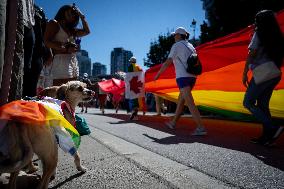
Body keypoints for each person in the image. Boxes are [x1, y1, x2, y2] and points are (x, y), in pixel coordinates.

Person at [154, 27, 207, 136]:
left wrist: (158, 74)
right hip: (192, 77)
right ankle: (173, 123)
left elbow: (168, 61)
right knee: (181, 101)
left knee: (190, 102)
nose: (174, 36)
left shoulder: (177, 45)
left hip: (183, 77)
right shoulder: (191, 46)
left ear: (179, 35)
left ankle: (201, 127)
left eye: (175, 35)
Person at [242, 10, 284, 146]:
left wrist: (244, 73)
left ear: (260, 20)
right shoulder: (277, 35)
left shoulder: (259, 33)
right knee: (262, 105)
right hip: (275, 72)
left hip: (263, 72)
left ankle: (272, 127)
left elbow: (252, 52)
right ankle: (267, 137)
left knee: (248, 102)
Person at [44, 4, 90, 86]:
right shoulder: (54, 23)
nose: (72, 15)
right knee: (59, 90)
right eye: (70, 12)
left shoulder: (72, 29)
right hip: (60, 61)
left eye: (74, 14)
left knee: (71, 90)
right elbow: (46, 41)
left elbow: (87, 31)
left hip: (72, 61)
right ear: (63, 12)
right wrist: (65, 48)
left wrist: (82, 16)